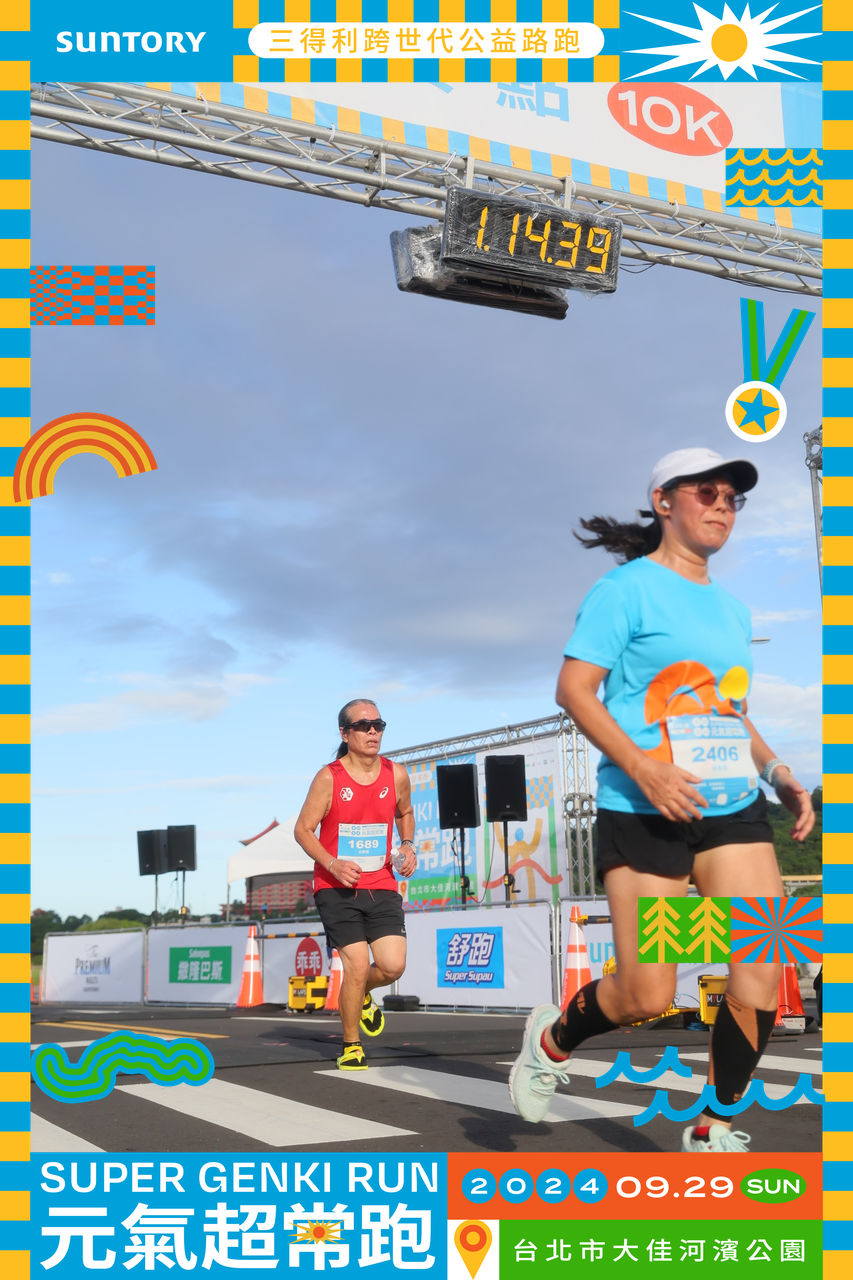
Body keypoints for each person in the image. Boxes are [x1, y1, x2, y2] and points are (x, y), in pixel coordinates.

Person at [508, 447, 815, 1151]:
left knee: (762, 964)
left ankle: (712, 1125)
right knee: (647, 995)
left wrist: (777, 771)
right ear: (663, 501)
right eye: (706, 492)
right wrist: (643, 768)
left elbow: (729, 710)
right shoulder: (626, 590)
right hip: (646, 809)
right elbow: (573, 690)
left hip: (732, 808)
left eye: (731, 497)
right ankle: (552, 1040)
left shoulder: (731, 611)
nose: (721, 505)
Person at [294, 699, 416, 1070]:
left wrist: (408, 845)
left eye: (378, 724)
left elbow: (405, 812)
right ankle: (351, 1045)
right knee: (358, 965)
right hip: (336, 886)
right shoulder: (329, 777)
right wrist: (332, 863)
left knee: (393, 966)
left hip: (381, 882)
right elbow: (303, 830)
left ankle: (361, 994)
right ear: (345, 734)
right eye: (363, 726)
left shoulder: (396, 774)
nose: (373, 731)